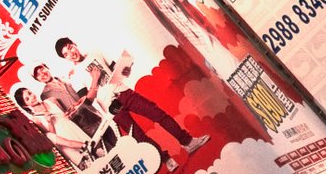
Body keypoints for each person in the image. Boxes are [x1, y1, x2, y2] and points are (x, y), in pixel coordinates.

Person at [56, 36, 210, 159]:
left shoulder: (95, 53)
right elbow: (87, 101)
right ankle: (164, 159)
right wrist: (95, 79)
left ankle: (188, 142)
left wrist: (125, 70)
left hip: (123, 91)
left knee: (157, 114)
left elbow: (115, 69)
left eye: (70, 48)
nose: (71, 53)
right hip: (110, 107)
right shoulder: (75, 76)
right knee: (138, 135)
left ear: (74, 44)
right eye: (66, 54)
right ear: (65, 58)